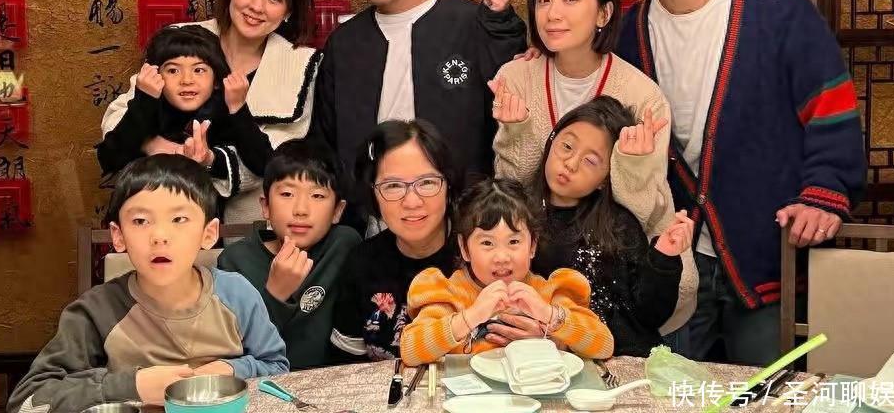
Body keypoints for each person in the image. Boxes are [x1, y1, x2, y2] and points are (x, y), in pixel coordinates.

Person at [611, 0, 865, 365]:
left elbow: (830, 102)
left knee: (768, 390)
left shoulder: (776, 6)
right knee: (675, 391)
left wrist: (825, 191)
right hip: (677, 259)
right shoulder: (629, 33)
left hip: (764, 247)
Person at [490, 0, 697, 336]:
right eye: (543, 0)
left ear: (604, 13)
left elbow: (642, 215)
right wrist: (516, 133)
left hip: (628, 291)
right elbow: (511, 193)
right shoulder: (515, 78)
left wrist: (632, 167)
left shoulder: (642, 96)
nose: (553, 14)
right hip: (537, 286)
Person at [7, 155, 289, 413]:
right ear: (118, 236)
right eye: (141, 221)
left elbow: (277, 366)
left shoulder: (237, 294)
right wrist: (133, 385)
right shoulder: (97, 310)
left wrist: (229, 370)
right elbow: (28, 401)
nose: (160, 236)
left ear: (209, 233)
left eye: (179, 219)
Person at [309, 0, 527, 216]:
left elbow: (511, 102)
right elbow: (324, 141)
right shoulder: (344, 43)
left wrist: (502, 24)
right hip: (369, 222)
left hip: (460, 218)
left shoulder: (469, 23)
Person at [103, 0, 321, 225]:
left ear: (288, 11)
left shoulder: (300, 65)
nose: (256, 6)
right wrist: (159, 147)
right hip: (159, 207)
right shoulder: (182, 39)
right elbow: (118, 116)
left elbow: (280, 158)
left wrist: (209, 160)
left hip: (250, 223)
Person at [530, 96, 693, 357]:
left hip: (622, 359)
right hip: (545, 357)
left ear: (605, 180)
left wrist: (664, 258)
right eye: (567, 146)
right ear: (551, 141)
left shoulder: (619, 226)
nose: (571, 163)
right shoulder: (519, 215)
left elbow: (651, 314)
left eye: (590, 161)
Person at [400, 177, 616, 366]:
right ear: (464, 248)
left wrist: (548, 315)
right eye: (487, 243)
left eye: (513, 241)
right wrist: (471, 316)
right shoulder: (449, 293)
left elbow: (604, 346)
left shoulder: (548, 292)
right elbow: (409, 351)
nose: (502, 257)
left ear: (532, 246)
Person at [217, 139, 361, 369]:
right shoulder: (235, 261)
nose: (301, 210)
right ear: (265, 206)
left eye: (317, 196)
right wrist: (275, 295)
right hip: (265, 384)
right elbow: (234, 351)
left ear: (337, 210)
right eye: (286, 194)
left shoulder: (343, 245)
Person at [331, 119, 459, 361]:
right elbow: (346, 369)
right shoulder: (361, 264)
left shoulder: (482, 253)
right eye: (393, 186)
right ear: (373, 194)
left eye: (427, 182)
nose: (412, 202)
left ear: (448, 185)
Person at [96, 24, 272, 179]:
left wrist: (238, 107)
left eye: (199, 70)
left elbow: (264, 165)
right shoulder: (150, 105)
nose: (187, 80)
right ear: (157, 76)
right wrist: (145, 100)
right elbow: (109, 159)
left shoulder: (223, 108)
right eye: (173, 71)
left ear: (216, 80)